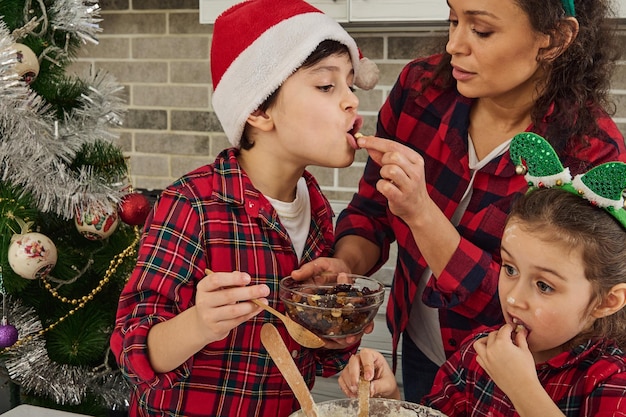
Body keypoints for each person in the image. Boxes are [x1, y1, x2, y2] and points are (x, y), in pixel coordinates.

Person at [291, 0, 626, 402]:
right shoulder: (420, 91)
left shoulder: (588, 151)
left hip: (513, 375)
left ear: (555, 39)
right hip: (420, 346)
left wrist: (422, 212)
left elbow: (540, 296)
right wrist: (347, 264)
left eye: (481, 30)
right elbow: (373, 209)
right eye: (453, 20)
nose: (454, 45)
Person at [109, 0, 380, 416]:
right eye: (327, 86)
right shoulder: (191, 205)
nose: (351, 102)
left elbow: (315, 355)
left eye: (350, 85)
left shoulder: (319, 212)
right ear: (257, 109)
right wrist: (199, 323)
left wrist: (342, 342)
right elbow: (131, 350)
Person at [337, 132, 626, 416]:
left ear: (607, 302)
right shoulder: (476, 355)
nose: (513, 299)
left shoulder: (611, 383)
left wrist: (522, 388)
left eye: (544, 286)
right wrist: (391, 401)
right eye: (510, 269)